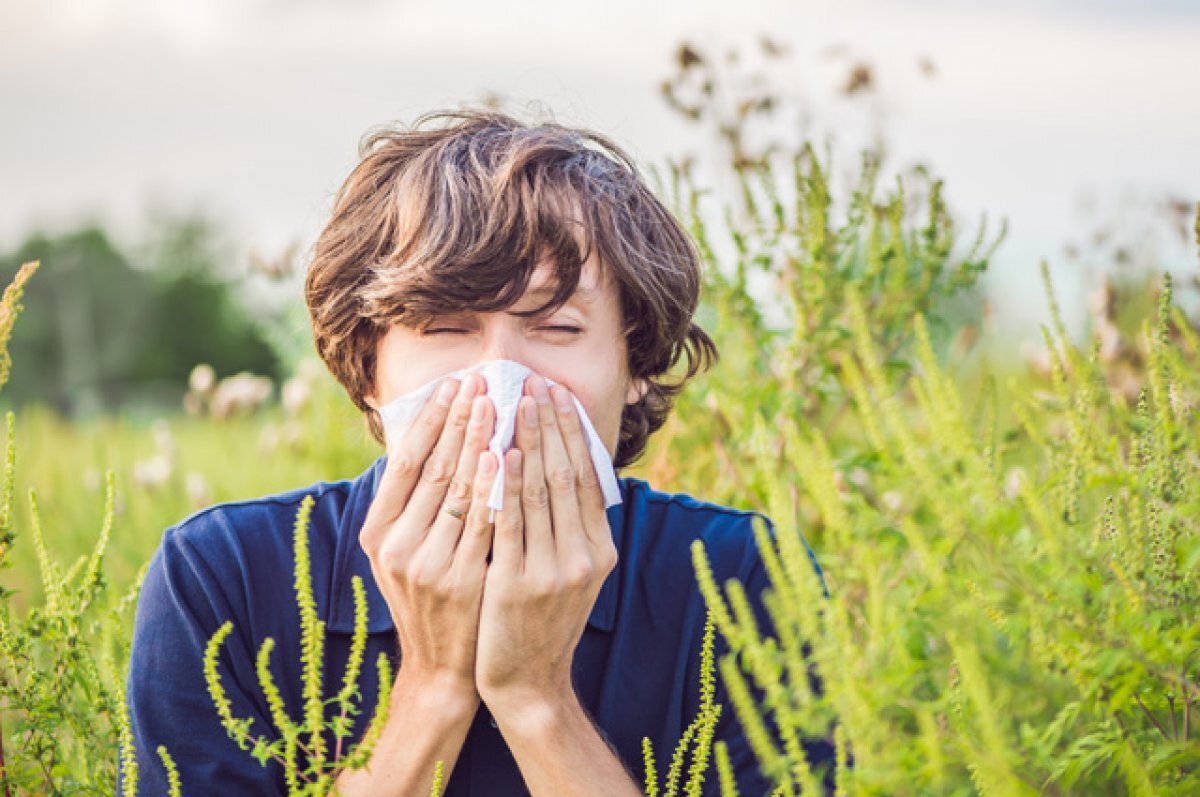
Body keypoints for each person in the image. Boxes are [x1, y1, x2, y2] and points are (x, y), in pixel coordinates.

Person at [122, 107, 830, 795]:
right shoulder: (223, 579)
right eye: (444, 327)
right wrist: (434, 685)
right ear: (368, 369)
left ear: (636, 364)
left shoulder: (742, 581)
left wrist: (536, 699)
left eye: (556, 326)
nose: (500, 379)